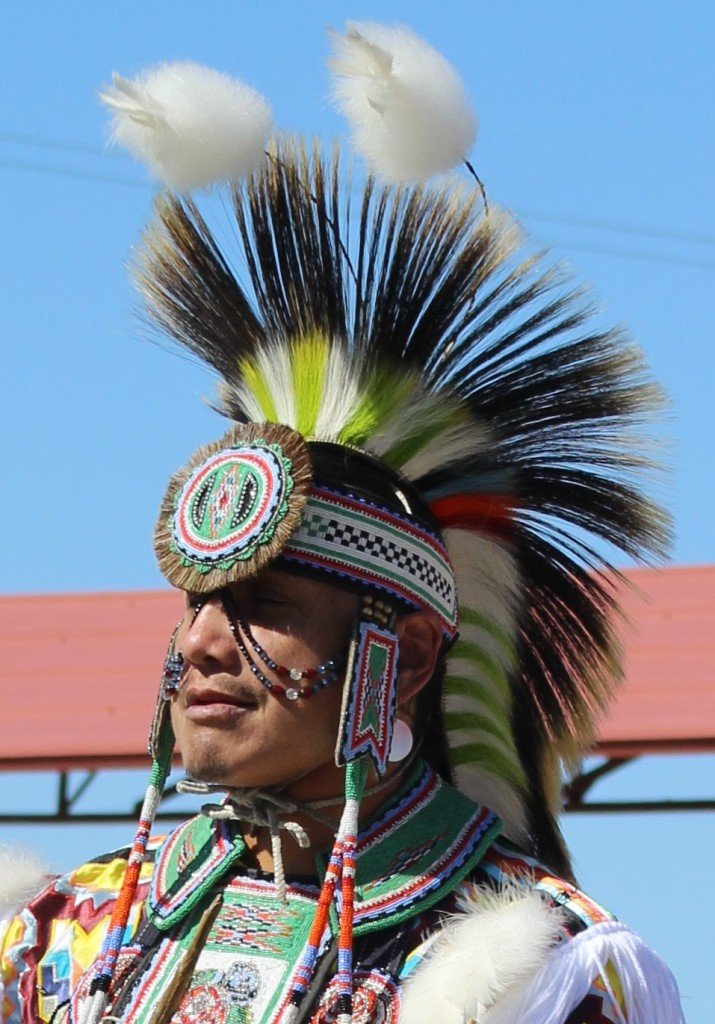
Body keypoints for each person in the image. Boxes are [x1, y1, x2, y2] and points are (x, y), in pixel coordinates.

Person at [0, 22, 684, 1024]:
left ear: (402, 656)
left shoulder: (530, 972)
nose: (199, 643)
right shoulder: (66, 939)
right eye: (196, 602)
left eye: (263, 604)